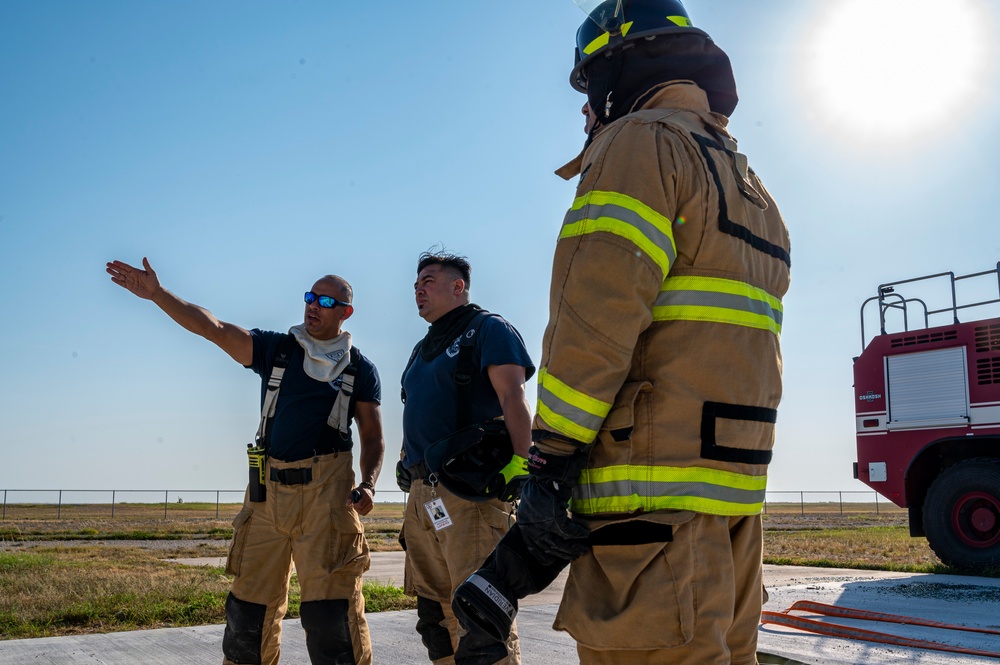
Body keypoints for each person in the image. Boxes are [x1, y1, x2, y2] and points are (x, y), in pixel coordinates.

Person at [455, 2, 791, 663]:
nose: (586, 110)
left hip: (649, 520)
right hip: (731, 511)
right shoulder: (749, 182)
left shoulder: (640, 143)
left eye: (590, 86)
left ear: (620, 66)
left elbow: (594, 319)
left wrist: (550, 460)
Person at [106, 257, 384, 665]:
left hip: (327, 501)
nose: (313, 305)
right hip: (266, 498)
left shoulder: (360, 369)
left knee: (332, 620)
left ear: (346, 312)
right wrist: (159, 295)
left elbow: (373, 437)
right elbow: (214, 328)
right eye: (310, 297)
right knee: (248, 617)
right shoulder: (277, 350)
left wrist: (369, 484)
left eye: (325, 301)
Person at [398, 251, 534, 665]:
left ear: (458, 287)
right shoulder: (420, 350)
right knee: (434, 619)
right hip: (423, 497)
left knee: (479, 616)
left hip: (470, 496)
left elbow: (513, 396)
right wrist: (407, 462)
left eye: (428, 280)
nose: (418, 289)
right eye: (416, 284)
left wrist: (523, 464)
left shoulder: (488, 329)